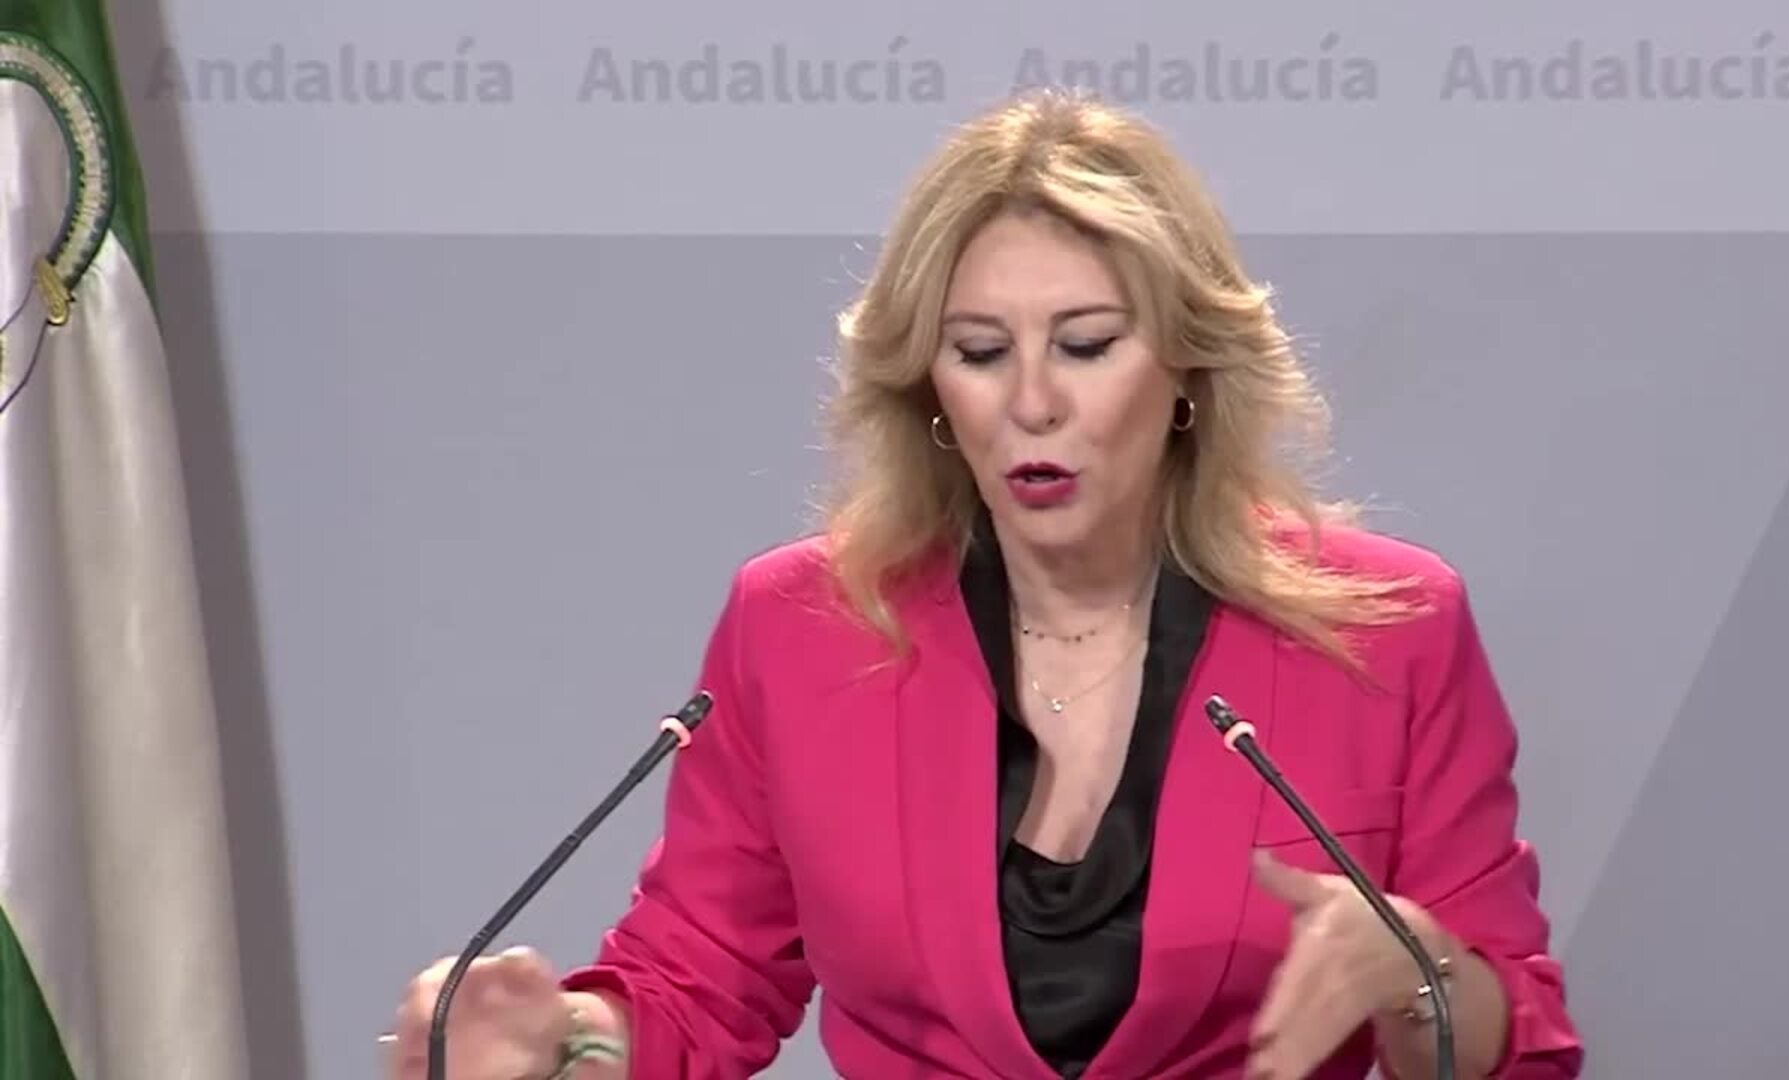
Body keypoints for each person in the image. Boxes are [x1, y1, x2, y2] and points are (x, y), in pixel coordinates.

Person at [386, 89, 1585, 1080]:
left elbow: (1521, 1045)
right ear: (932, 392)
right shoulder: (799, 630)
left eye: (1086, 344)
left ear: (1186, 370)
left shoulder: (1388, 631)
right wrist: (564, 1046)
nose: (1032, 403)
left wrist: (1414, 973)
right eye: (980, 353)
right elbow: (700, 983)